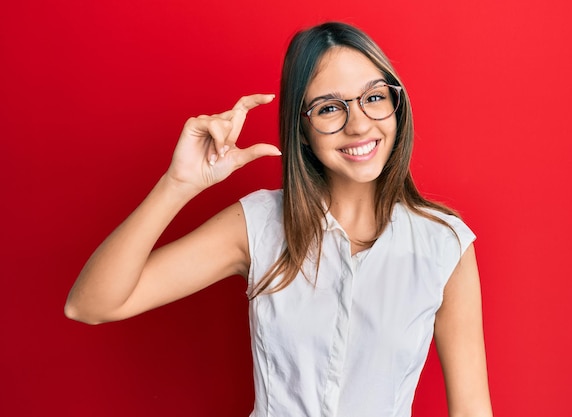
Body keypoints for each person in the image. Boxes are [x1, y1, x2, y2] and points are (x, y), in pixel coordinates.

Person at [65, 21, 492, 417]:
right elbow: (90, 305)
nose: (359, 124)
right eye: (329, 108)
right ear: (300, 128)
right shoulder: (258, 225)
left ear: (397, 106)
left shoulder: (445, 246)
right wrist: (179, 182)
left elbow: (472, 409)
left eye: (374, 97)